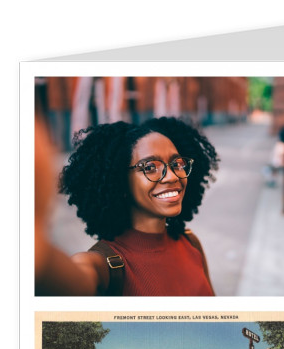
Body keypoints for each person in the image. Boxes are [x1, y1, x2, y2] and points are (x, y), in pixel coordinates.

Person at [36, 116, 219, 296]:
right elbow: (62, 279)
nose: (172, 176)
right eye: (150, 167)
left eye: (177, 163)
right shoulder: (102, 266)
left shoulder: (191, 243)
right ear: (120, 181)